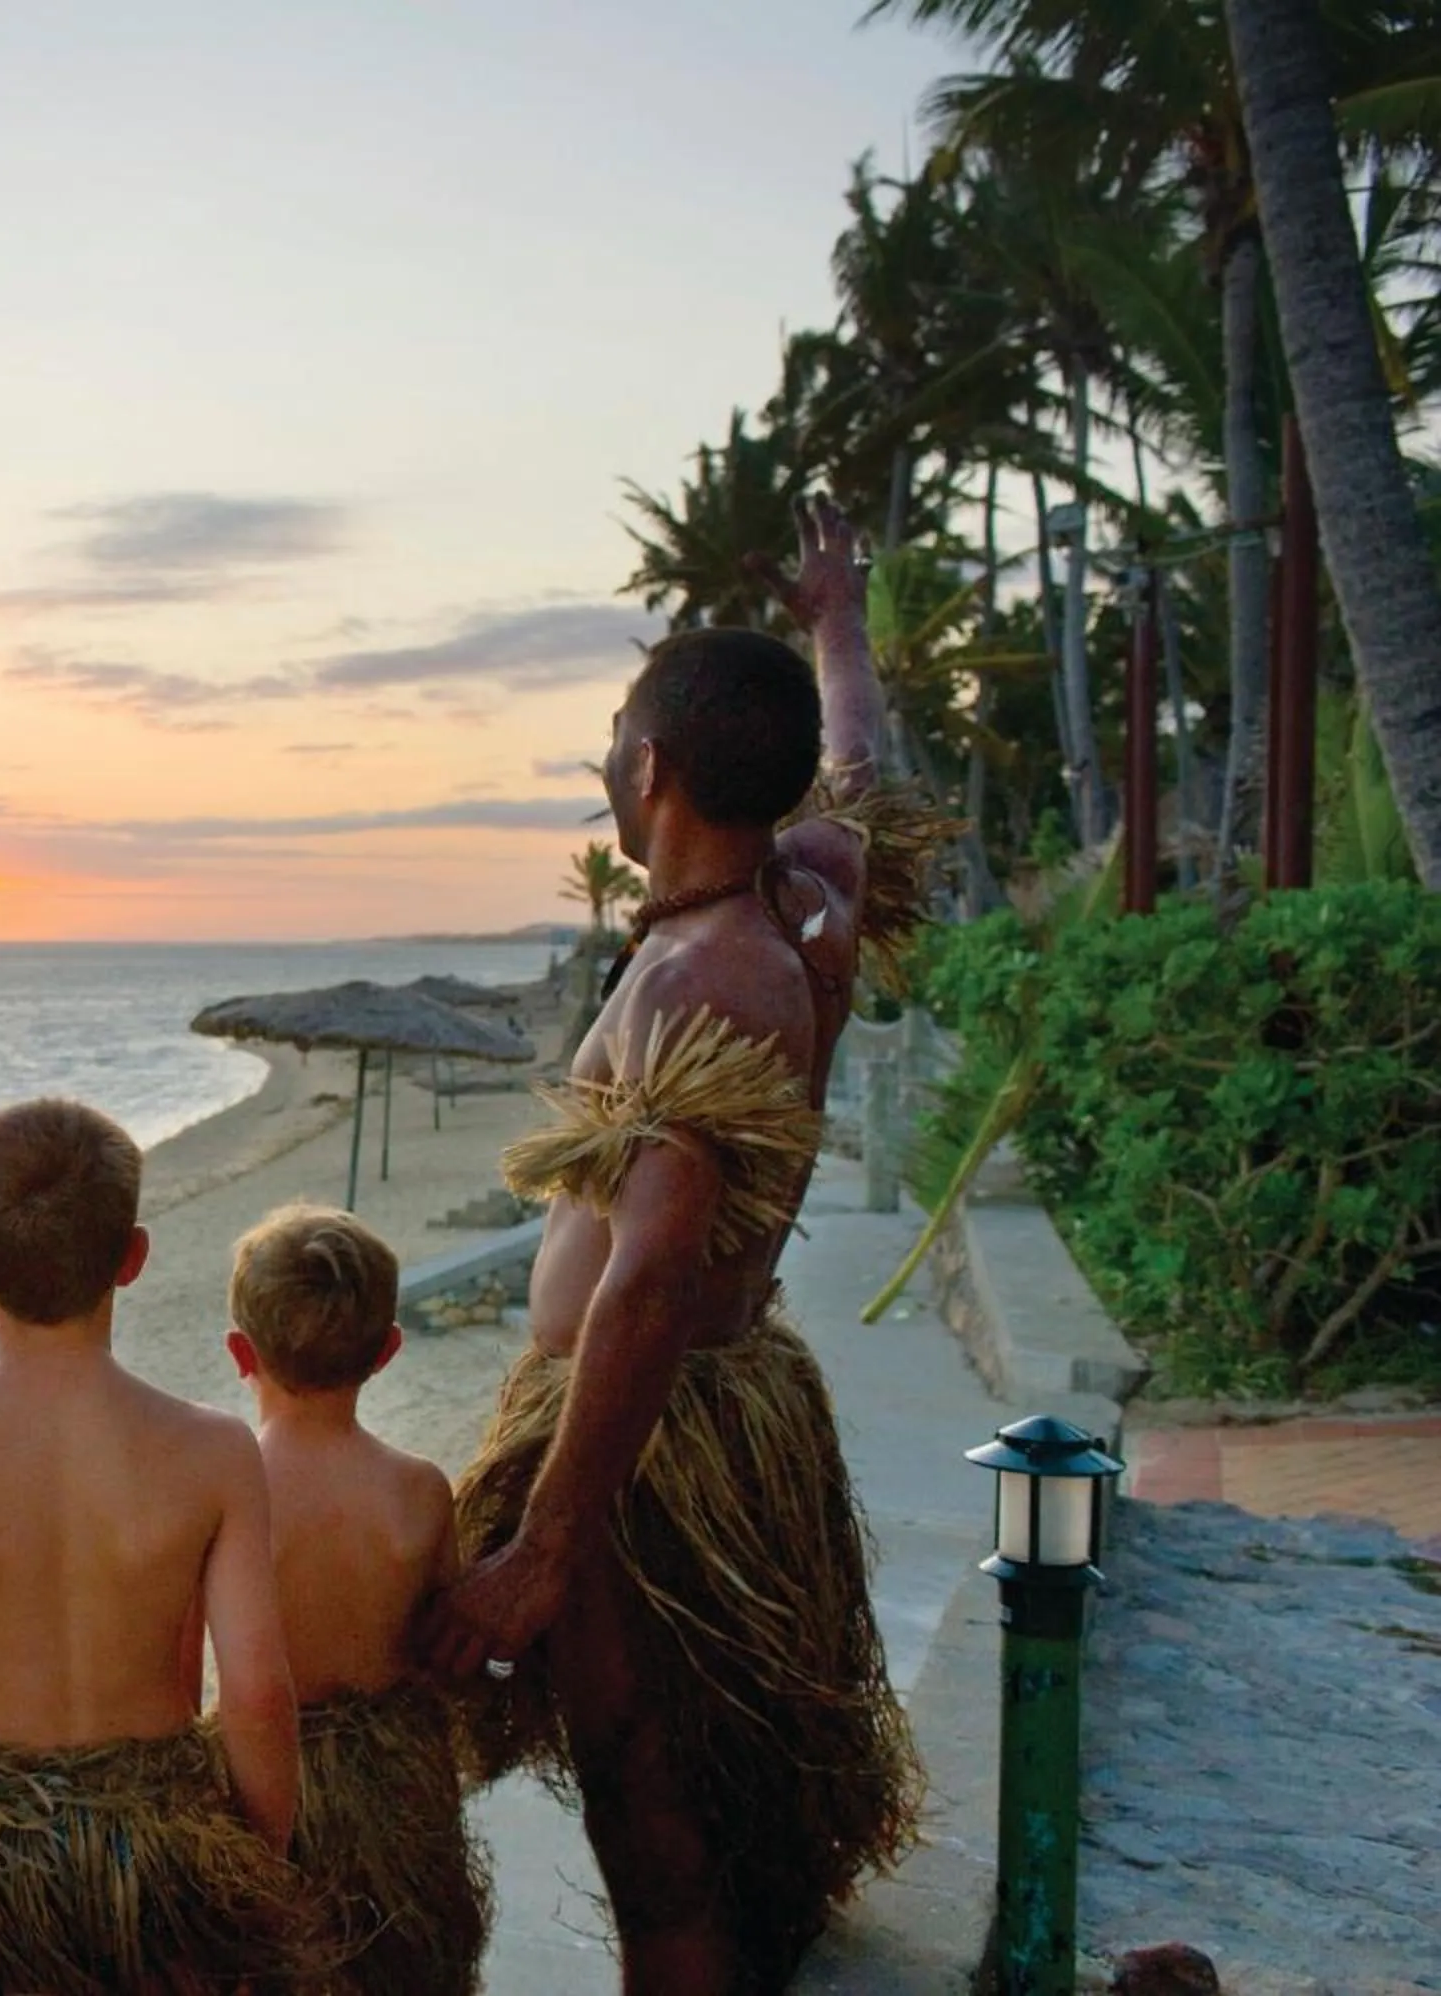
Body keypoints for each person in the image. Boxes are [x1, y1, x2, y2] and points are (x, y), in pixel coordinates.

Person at [422, 497, 945, 1993]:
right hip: (716, 1398)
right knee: (724, 1812)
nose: (604, 757)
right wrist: (835, 625)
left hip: (646, 1451)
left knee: (654, 1843)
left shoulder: (706, 977)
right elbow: (860, 771)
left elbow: (649, 1276)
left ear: (648, 771)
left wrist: (546, 1544)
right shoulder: (807, 883)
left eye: (613, 735)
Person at [0, 1098, 319, 1996]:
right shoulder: (215, 1451)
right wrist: (256, 1864)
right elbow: (257, 1695)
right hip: (160, 1869)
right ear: (132, 1258)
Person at [226, 1203, 489, 1996]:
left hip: (273, 1786)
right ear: (388, 1351)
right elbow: (450, 1641)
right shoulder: (418, 1490)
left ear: (242, 1353)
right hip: (399, 1790)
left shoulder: (230, 1492)